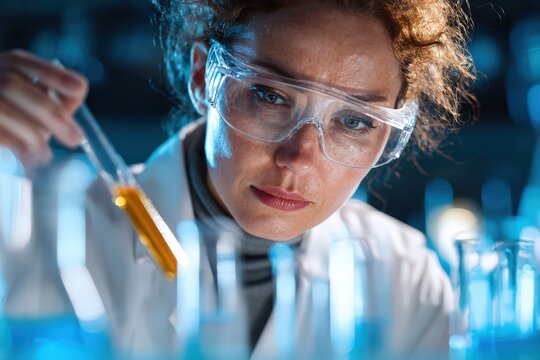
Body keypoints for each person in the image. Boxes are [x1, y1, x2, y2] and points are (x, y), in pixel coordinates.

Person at [0, 0, 476, 358]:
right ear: (204, 77)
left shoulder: (404, 278)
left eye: (355, 121)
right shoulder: (39, 242)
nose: (299, 159)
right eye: (270, 96)